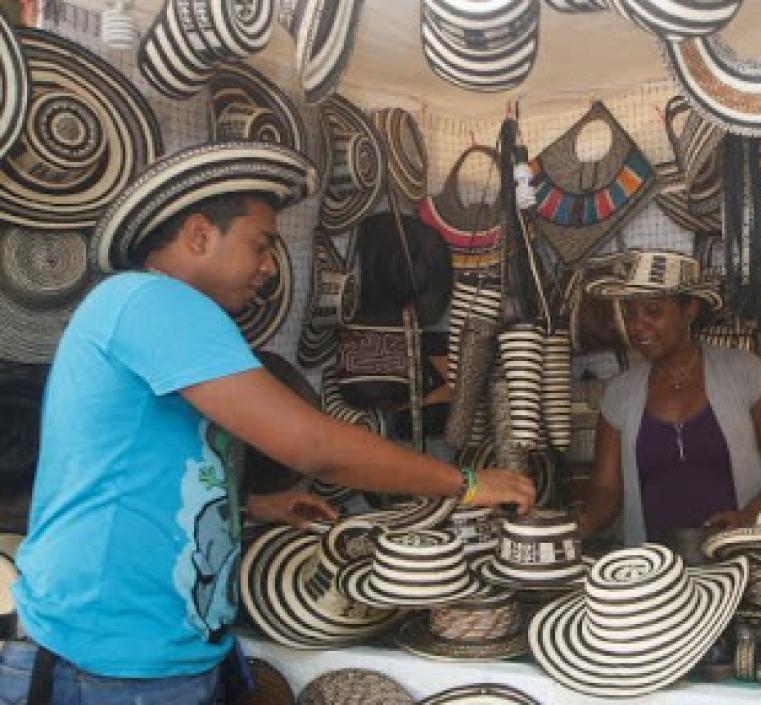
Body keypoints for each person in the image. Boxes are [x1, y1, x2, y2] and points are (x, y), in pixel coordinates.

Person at [0, 143, 535, 705]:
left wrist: (248, 506)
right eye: (260, 245)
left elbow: (143, 466)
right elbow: (313, 445)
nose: (269, 267)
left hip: (146, 655)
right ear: (200, 234)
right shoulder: (153, 301)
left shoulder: (151, 311)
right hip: (111, 663)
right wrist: (467, 484)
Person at [576, 250, 761, 545]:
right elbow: (606, 490)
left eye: (653, 312)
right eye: (631, 312)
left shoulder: (747, 374)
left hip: (737, 559)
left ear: (690, 310)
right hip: (655, 571)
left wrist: (749, 518)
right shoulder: (619, 395)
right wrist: (583, 522)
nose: (636, 326)